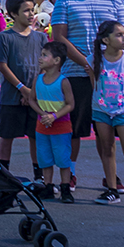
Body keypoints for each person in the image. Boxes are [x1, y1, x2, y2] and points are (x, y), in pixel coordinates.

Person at [50, 0, 124, 184]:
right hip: (76, 74)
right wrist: (87, 63)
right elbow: (59, 39)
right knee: (74, 127)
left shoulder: (116, 1)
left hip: (111, 77)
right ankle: (70, 173)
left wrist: (105, 64)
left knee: (108, 130)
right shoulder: (65, 1)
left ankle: (110, 177)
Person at [0, 0, 42, 179]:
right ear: (13, 14)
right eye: (26, 11)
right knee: (7, 136)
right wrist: (23, 88)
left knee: (35, 137)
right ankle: (3, 176)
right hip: (11, 96)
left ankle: (39, 177)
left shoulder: (40, 38)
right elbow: (3, 66)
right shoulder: (5, 38)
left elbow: (44, 66)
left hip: (36, 96)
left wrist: (33, 92)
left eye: (32, 10)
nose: (31, 15)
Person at [91, 19, 124, 204]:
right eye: (119, 34)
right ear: (105, 40)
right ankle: (112, 189)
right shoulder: (93, 59)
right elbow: (93, 82)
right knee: (107, 148)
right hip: (101, 110)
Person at [33, 38, 75, 202]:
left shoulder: (63, 81)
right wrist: (43, 114)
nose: (40, 58)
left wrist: (54, 116)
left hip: (61, 125)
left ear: (57, 61)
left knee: (63, 158)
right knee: (44, 158)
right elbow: (31, 100)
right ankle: (48, 187)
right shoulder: (37, 79)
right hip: (42, 125)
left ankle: (65, 188)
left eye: (45, 55)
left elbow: (70, 104)